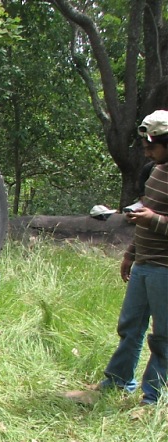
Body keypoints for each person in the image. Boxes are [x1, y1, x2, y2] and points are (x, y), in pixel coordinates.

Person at [98, 109, 168, 405]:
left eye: (152, 146)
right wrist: (130, 254)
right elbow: (148, 211)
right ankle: (116, 383)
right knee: (130, 328)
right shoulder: (155, 171)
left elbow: (154, 217)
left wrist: (152, 218)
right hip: (144, 264)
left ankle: (152, 399)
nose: (147, 153)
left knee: (163, 337)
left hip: (165, 269)